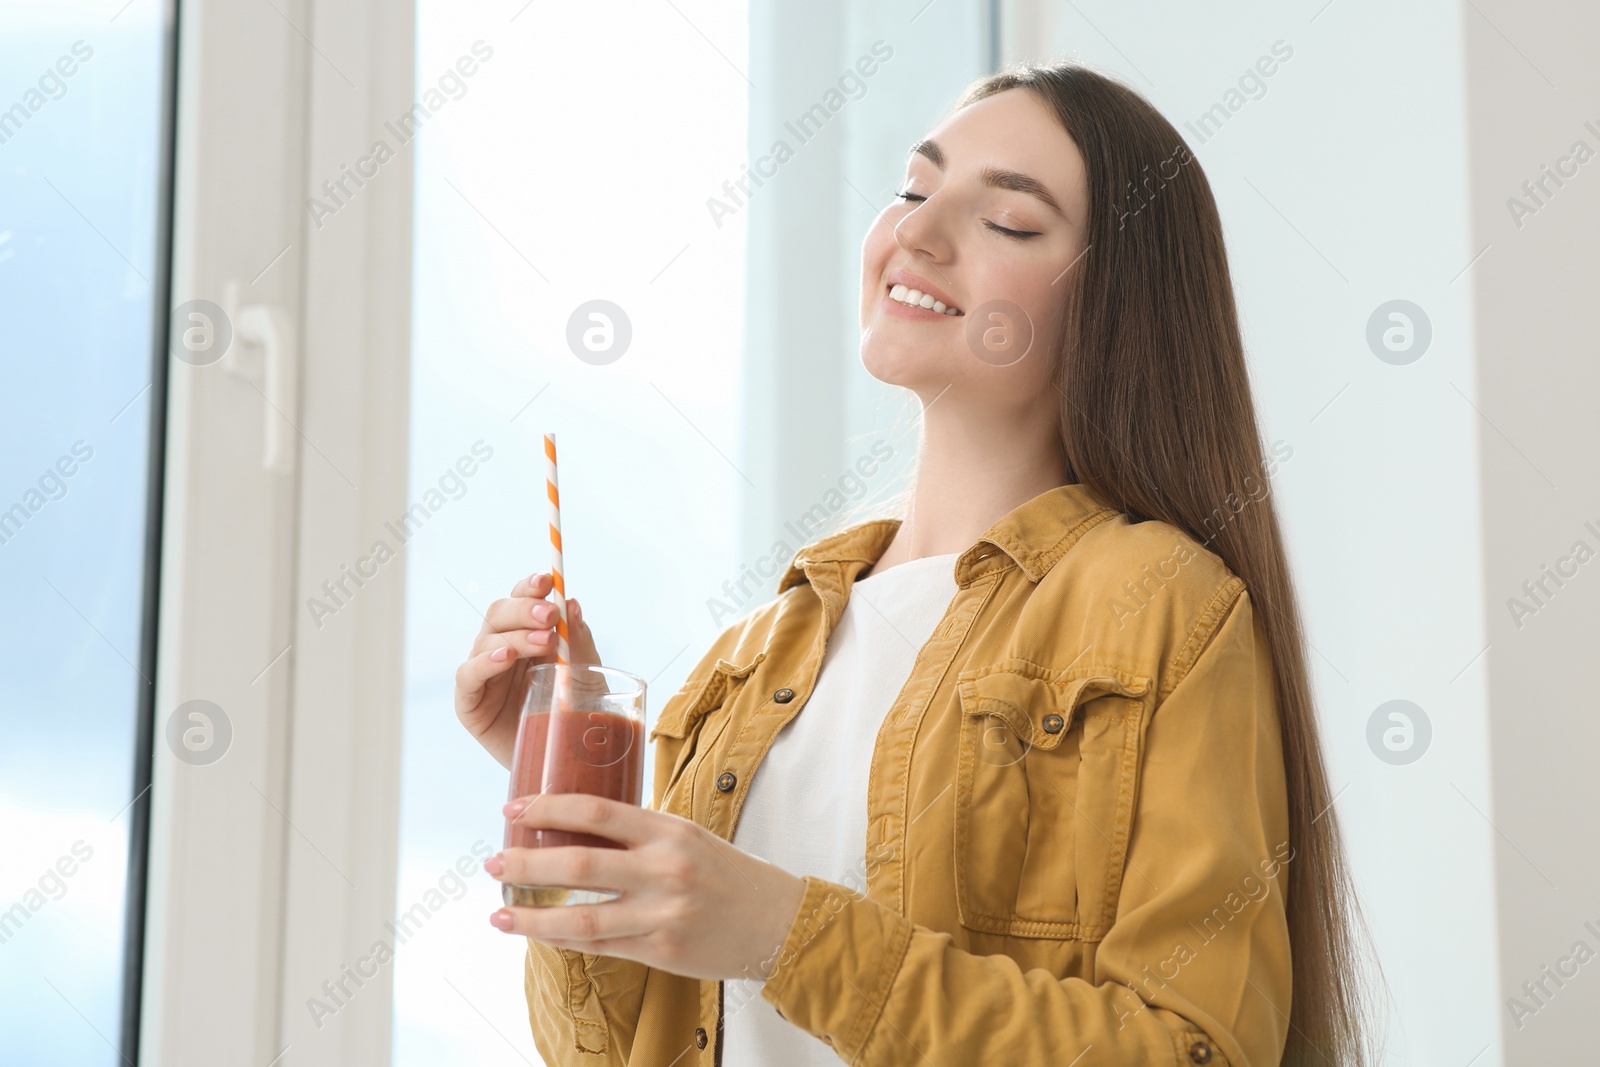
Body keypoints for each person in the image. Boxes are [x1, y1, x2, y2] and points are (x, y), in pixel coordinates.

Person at [454, 61, 1383, 1067]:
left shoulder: (1164, 608)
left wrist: (782, 931)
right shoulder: (751, 656)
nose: (916, 232)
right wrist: (566, 789)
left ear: (1113, 303)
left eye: (1009, 222)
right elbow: (609, 1049)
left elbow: (1193, 1047)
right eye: (911, 189)